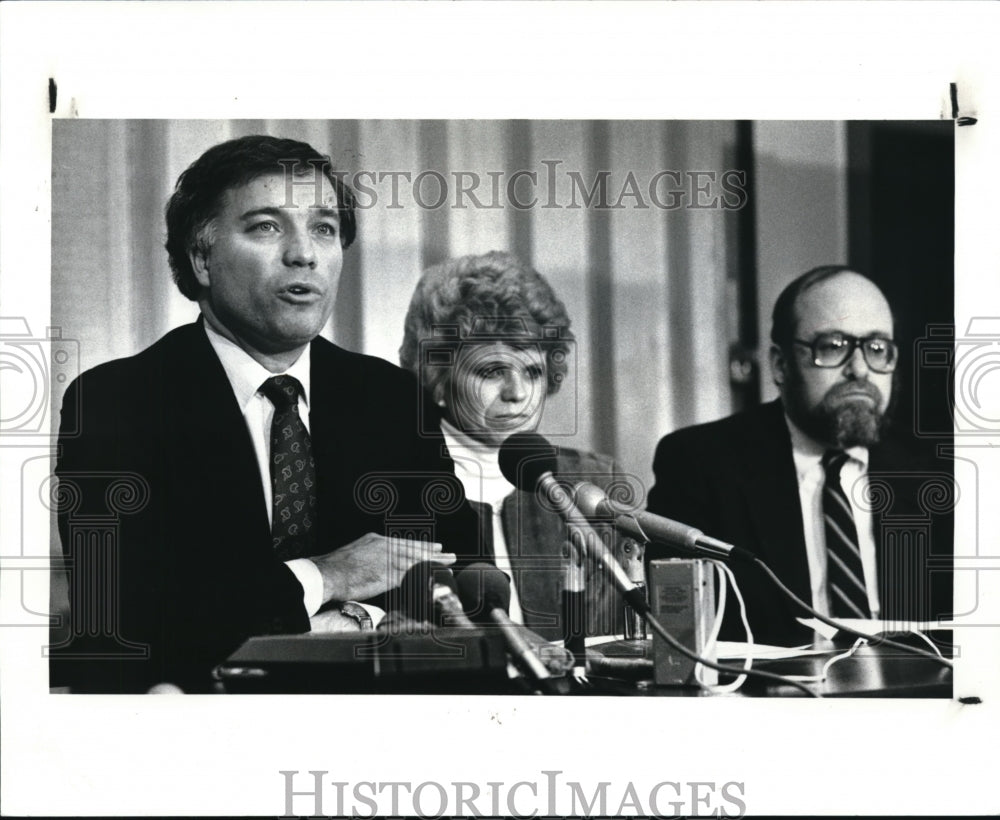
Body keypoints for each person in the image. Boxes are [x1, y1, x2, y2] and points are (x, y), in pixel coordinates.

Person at [52, 135, 476, 693]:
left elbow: (456, 570)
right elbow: (125, 617)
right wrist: (329, 577)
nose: (304, 253)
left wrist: (350, 621)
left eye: (324, 228)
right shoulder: (115, 402)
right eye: (266, 226)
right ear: (201, 258)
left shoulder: (391, 398)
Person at [646, 266, 953, 647]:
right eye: (833, 347)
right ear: (780, 365)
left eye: (877, 349)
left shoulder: (938, 473)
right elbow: (686, 637)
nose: (859, 370)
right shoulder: (700, 463)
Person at [399, 250, 626, 641]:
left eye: (533, 371)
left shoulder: (594, 481)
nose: (518, 393)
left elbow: (613, 636)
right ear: (438, 378)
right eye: (492, 371)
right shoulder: (400, 483)